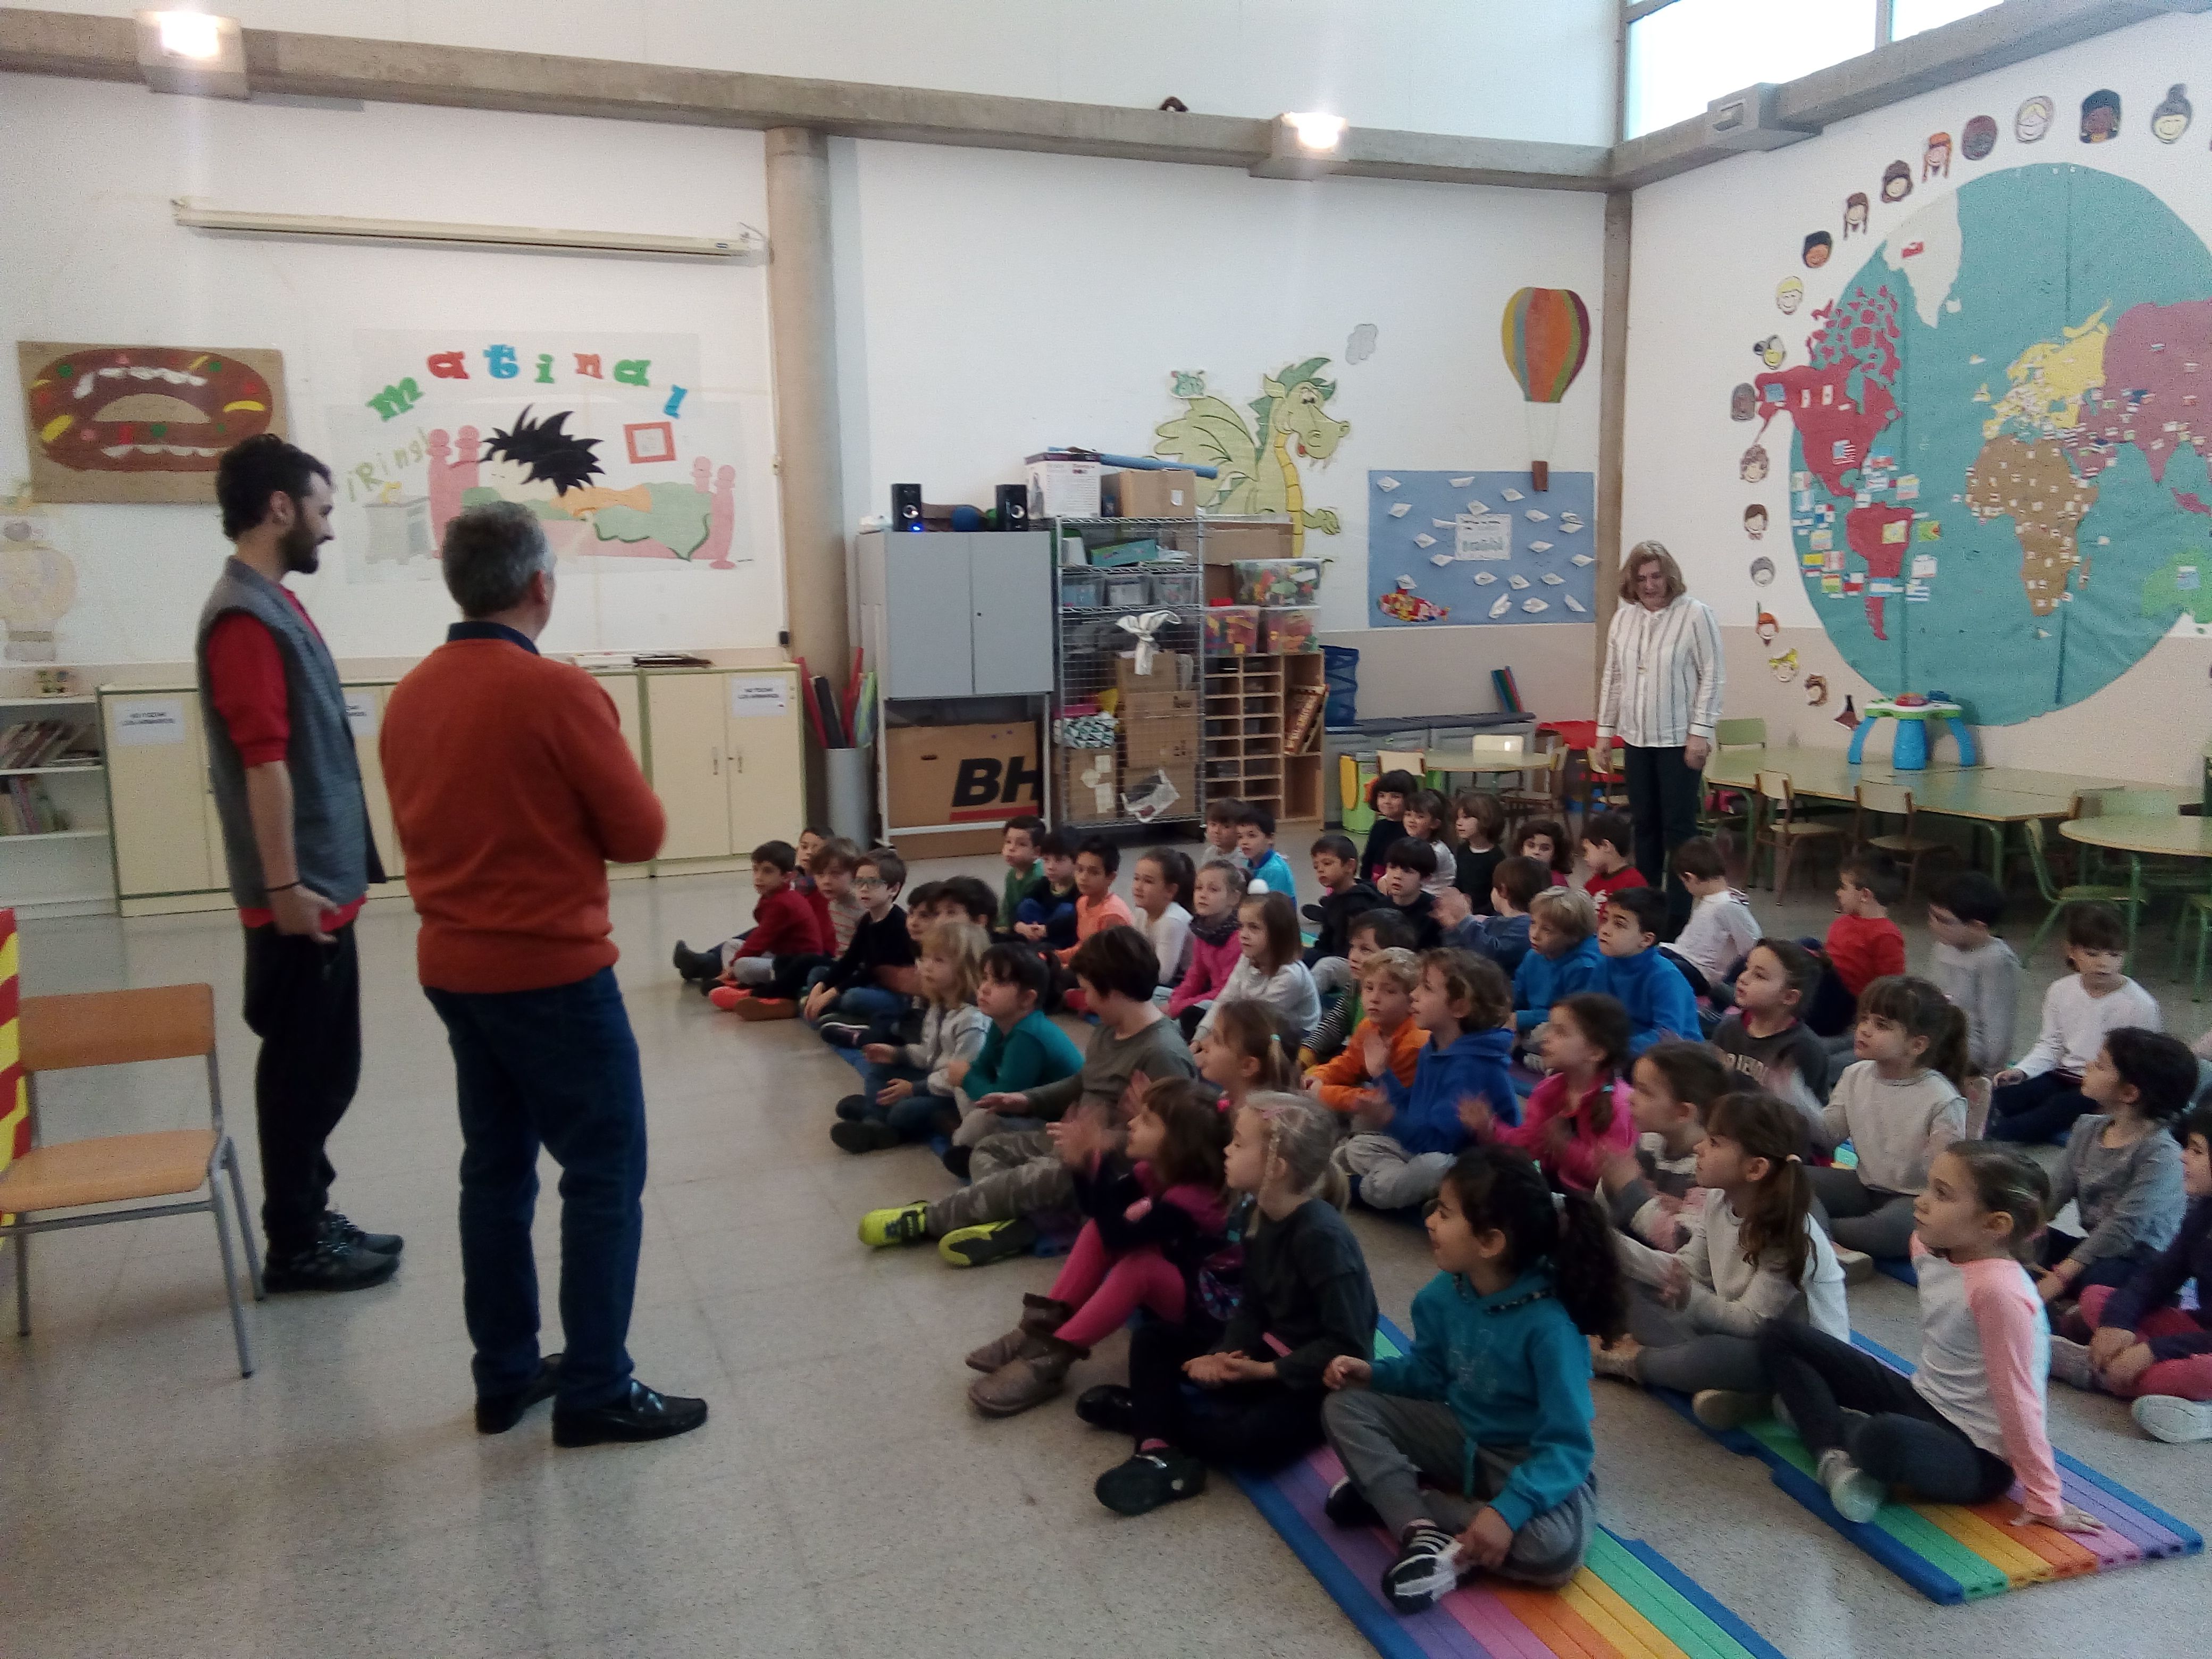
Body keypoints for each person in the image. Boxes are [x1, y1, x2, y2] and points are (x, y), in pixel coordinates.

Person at [382, 499, 703, 1444]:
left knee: (495, 1173)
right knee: (603, 1172)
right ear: (539, 585)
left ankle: (506, 1374)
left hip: (455, 968)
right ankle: (597, 1387)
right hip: (551, 972)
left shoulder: (410, 694)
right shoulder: (556, 692)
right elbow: (638, 833)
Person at [198, 434, 396, 1292]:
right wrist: (283, 887)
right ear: (280, 508)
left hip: (319, 884)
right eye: (322, 509)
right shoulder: (244, 616)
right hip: (297, 895)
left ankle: (312, 1211)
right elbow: (264, 761)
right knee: (302, 1074)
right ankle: (295, 1243)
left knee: (325, 1068)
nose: (329, 526)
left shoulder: (271, 603)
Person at [1322, 1144, 1621, 1611]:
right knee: (1343, 1405)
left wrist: (1508, 1512)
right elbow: (1431, 1375)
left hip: (1528, 1460)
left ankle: (1403, 1501)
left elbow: (1569, 1447)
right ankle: (1419, 1530)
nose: (1430, 1221)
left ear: (1490, 1243)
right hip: (1462, 1436)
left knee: (1555, 1553)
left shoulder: (1550, 1329)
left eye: (1444, 1213)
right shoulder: (1442, 1294)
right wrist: (1374, 1375)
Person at [1758, 1143, 2104, 1534]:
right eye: (1928, 1186)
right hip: (1924, 1399)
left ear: (1995, 1225)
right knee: (1781, 1336)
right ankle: (1833, 1453)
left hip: (1978, 1455)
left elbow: (2019, 1397)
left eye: (1942, 1194)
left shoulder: (2000, 1292)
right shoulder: (1925, 1246)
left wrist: (2045, 1498)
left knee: (1882, 1438)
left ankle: (1818, 1418)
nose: (1921, 1201)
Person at [1088, 1095, 1376, 1516]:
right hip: (1267, 1350)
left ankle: (1148, 1420)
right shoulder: (1256, 1215)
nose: (1226, 1150)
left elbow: (1350, 1346)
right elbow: (1253, 1308)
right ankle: (1156, 1448)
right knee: (1153, 1340)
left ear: (1277, 1167)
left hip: (1317, 1380)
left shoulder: (1322, 1238)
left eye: (1238, 1143)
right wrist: (1224, 1354)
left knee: (1247, 1444)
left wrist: (1263, 1372)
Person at [858, 927, 1197, 1266]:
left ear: (1114, 991)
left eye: (1089, 990)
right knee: (989, 1149)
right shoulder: (1111, 1029)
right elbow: (1083, 1082)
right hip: (1074, 1144)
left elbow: (1175, 1144)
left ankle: (927, 1219)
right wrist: (1027, 1100)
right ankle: (1028, 1224)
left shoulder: (1162, 1053)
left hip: (1111, 1168)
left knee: (1033, 1178)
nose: (1085, 999)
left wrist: (1102, 1141)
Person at [966, 1078, 1236, 1417]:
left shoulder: (1194, 1200)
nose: (1132, 1124)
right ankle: (1040, 1328)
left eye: (1147, 1121)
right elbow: (1098, 1213)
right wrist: (1082, 1165)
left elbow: (1118, 1236)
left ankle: (1052, 1358)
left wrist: (1102, 1158)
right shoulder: (1155, 1171)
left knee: (1139, 1267)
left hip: (1205, 1313)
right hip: (1180, 1276)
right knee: (1097, 1230)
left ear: (1179, 1144)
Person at [1594, 1090, 1848, 1430]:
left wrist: (1690, 1297)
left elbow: (1753, 1323)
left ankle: (1631, 1362)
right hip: (1730, 1328)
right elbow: (1687, 1269)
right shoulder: (1717, 1199)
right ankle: (1732, 1389)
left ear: (1755, 1168)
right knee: (1625, 1287)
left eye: (1714, 1143)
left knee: (1712, 1355)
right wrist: (1610, 1245)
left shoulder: (1788, 1235)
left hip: (1791, 1360)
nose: (1699, 1147)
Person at [2060, 1103, 2212, 1440]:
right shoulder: (2204, 1212)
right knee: (2097, 1298)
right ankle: (2124, 1370)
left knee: (2198, 1373)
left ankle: (2097, 1370)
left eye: (2197, 1151)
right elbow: (2157, 1278)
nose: (2183, 1157)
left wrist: (2152, 1351)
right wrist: (2118, 1324)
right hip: (2203, 1331)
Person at [1595, 541, 1724, 935]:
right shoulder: (1623, 619)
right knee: (1644, 825)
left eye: (1656, 577)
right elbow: (1614, 678)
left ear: (1669, 576)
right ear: (1632, 583)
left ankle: (1678, 917)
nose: (1650, 586)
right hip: (1637, 739)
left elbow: (1712, 675)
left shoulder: (1695, 614)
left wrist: (1700, 733)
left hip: (1679, 740)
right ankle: (1646, 909)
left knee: (1678, 829)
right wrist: (1605, 733)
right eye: (1641, 579)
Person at [1336, 950, 1518, 1213]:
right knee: (1360, 1146)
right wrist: (1381, 1074)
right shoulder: (1434, 1047)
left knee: (1434, 1166)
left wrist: (1388, 1117)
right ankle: (1414, 1193)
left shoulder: (1472, 1068)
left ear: (1460, 1007)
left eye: (1427, 988)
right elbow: (1415, 1113)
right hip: (1425, 1150)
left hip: (1472, 1170)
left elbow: (1436, 1145)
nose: (1414, 994)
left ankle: (1356, 1189)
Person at [2031, 1029, 2192, 1321]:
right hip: (2098, 1249)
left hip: (2141, 1261)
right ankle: (2072, 1306)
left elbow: (2124, 1228)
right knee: (2021, 1241)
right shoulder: (2087, 1127)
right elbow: (2055, 1193)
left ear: (2129, 1093)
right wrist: (2024, 1233)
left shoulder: (2161, 1153)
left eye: (2101, 1065)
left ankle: (2085, 1308)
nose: (2089, 1066)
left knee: (2101, 1277)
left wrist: (2061, 1276)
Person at [1808, 975, 1968, 1268]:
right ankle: (1829, 1244)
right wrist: (1796, 1098)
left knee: (1889, 1232)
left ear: (1917, 1045)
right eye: (1864, 1019)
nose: (1864, 1030)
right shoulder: (1855, 1075)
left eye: (1881, 1025)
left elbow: (1946, 1176)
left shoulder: (1941, 1098)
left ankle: (1813, 1233)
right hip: (1864, 1185)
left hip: (1914, 1198)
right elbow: (1829, 1135)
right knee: (1787, 1180)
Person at [1990, 903, 2161, 1144]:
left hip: (2103, 1086)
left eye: (2114, 955)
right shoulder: (2060, 990)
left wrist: (2115, 1101)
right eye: (2092, 954)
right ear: (2072, 951)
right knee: (2008, 1097)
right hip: (2062, 1075)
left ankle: (1991, 1136)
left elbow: (2144, 1067)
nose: (2104, 964)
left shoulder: (2140, 1005)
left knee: (2052, 1111)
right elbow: (2051, 1044)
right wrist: (2023, 1071)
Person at [831, 920, 990, 1154]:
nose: (926, 967)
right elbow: (930, 1053)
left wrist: (915, 1088)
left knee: (905, 1111)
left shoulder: (972, 1020)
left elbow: (961, 1077)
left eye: (938, 960)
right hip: (933, 1078)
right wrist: (899, 1054)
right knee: (879, 1068)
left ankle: (880, 1119)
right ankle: (875, 1119)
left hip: (955, 1094)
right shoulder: (939, 1005)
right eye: (925, 958)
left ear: (966, 968)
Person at [1463, 993, 1636, 1194]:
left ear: (1596, 1052)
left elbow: (1612, 1175)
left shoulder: (1620, 1104)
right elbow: (1527, 1147)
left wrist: (1565, 1147)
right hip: (1554, 1189)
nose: (1545, 1037)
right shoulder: (1549, 1089)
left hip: (1598, 1203)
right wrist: (1489, 1128)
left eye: (1560, 1032)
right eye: (1550, 1028)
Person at [942, 943, 1083, 1170]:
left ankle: (967, 1147)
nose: (984, 989)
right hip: (1021, 1107)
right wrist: (968, 1077)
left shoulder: (1028, 1035)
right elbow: (981, 1067)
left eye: (998, 982)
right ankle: (967, 1142)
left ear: (1027, 999)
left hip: (1053, 1124)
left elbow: (1005, 1100)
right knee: (961, 1086)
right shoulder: (1000, 1023)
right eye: (985, 978)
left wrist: (967, 1079)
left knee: (980, 1118)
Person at [1601, 1041, 1732, 1252]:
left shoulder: (1708, 1170)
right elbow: (1611, 1215)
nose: (1631, 1098)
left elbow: (1680, 1241)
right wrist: (1610, 1182)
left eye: (1645, 1092)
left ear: (1683, 1112)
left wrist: (1628, 1188)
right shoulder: (1651, 1142)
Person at [675, 839, 824, 1002]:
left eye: (767, 871)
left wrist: (730, 969)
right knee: (731, 945)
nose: (759, 877)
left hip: (794, 964)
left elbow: (759, 941)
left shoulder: (783, 902)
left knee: (742, 965)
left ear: (787, 876)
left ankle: (747, 986)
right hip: (779, 955)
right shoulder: (772, 895)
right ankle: (739, 981)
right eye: (756, 870)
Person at [1710, 939, 1829, 1128]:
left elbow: (1797, 1122)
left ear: (1789, 997)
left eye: (1759, 976)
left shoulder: (1803, 1048)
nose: (1743, 978)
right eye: (1747, 968)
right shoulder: (1729, 1028)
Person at [804, 849, 919, 1038]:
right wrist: (821, 986)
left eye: (873, 883)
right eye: (859, 882)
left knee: (852, 997)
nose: (864, 889)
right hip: (869, 984)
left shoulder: (899, 923)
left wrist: (831, 993)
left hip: (894, 994)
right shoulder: (867, 920)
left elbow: (873, 971)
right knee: (818, 974)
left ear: (893, 889)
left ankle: (847, 1016)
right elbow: (850, 960)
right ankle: (834, 1013)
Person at [1303, 948, 1425, 1116]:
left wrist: (1323, 1093)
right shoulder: (1369, 1025)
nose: (1374, 998)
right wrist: (1319, 1077)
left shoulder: (1415, 1043)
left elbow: (1384, 1101)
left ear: (1413, 1000)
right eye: (1369, 988)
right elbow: (1350, 1063)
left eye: (1389, 991)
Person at [1925, 869, 2020, 1083]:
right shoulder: (1942, 947)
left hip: (1970, 1052)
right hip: (1937, 1036)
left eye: (1943, 920)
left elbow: (1999, 1026)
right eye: (1931, 915)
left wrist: (1989, 1077)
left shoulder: (1996, 960)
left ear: (1978, 926)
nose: (1933, 924)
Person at [1196, 891, 1320, 1042]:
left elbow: (1256, 1024)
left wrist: (1211, 1043)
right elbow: (1226, 998)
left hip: (1291, 1038)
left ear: (1278, 933)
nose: (1243, 935)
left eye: (1253, 927)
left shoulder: (1290, 976)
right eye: (1241, 926)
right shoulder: (1248, 958)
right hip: (1252, 1021)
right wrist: (1199, 1039)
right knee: (1201, 1010)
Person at [1806, 853, 1906, 1037]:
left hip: (1843, 1003)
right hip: (1826, 986)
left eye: (1843, 887)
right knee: (1807, 945)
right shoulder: (1844, 922)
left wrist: (1869, 1018)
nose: (1838, 892)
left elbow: (1891, 985)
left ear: (1865, 895)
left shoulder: (1887, 935)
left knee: (1807, 957)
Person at [1302, 909, 1415, 1067]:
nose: (1353, 957)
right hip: (1357, 1058)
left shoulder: (1405, 1001)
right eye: (1353, 947)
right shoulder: (1357, 984)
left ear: (1393, 957)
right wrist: (1306, 1054)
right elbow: (1336, 1024)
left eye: (1365, 950)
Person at [1596, 889, 1700, 1055]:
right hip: (1619, 1051)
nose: (1605, 930)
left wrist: (1610, 1051)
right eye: (1605, 919)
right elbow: (1589, 1015)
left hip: (1675, 1060)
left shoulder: (1665, 977)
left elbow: (1667, 1037)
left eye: (1619, 925)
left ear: (1646, 940)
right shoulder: (1604, 965)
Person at [1168, 860, 1248, 1040]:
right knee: (1155, 994)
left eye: (1213, 890)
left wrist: (1179, 1007)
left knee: (1191, 1013)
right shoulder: (1202, 929)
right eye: (1199, 888)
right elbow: (1195, 975)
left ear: (1234, 898)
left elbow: (1225, 991)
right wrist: (1176, 1001)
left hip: (1229, 1002)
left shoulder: (1237, 938)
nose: (1203, 895)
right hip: (1208, 994)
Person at [1511, 886, 1603, 1039]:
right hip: (1530, 1022)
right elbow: (1518, 991)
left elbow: (1572, 1015)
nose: (1535, 934)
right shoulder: (1533, 955)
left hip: (1564, 1028)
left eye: (1547, 930)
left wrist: (1519, 1019)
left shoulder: (1584, 967)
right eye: (1533, 923)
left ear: (1574, 935)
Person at [1671, 835, 1759, 990]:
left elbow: (1755, 944)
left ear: (1691, 878)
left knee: (1651, 964)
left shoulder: (1727, 905)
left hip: (1699, 972)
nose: (1686, 888)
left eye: (1684, 882)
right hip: (1686, 960)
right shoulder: (1713, 900)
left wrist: (1732, 977)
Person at [1195, 999, 1303, 1115]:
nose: (1203, 1043)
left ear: (1247, 1066)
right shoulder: (1228, 1101)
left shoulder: (1254, 1123)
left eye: (1217, 1040)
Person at [1304, 832, 1380, 969]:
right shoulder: (1333, 900)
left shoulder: (1359, 903)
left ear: (1350, 866)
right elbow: (1325, 941)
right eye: (1316, 866)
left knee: (1324, 967)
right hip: (1333, 955)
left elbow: (1357, 946)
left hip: (1354, 962)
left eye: (1327, 864)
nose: (1320, 870)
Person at [1060, 837, 1137, 965]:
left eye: (1094, 873)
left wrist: (1065, 967)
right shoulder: (1082, 902)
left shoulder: (1112, 915)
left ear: (1111, 877)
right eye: (1080, 870)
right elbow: (1083, 947)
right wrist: (1056, 956)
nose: (1083, 877)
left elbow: (1108, 963)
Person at [1131, 846, 1195, 993]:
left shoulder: (1172, 921)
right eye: (1136, 878)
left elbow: (1163, 976)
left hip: (1182, 983)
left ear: (1170, 890)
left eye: (1148, 881)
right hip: (1154, 976)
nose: (1138, 887)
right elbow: (1132, 953)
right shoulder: (1141, 911)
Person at [1012, 830, 1079, 949]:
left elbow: (1074, 921)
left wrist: (1047, 930)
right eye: (1046, 860)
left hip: (1062, 939)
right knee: (1027, 905)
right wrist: (1019, 925)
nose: (1051, 867)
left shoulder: (1079, 888)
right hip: (1040, 931)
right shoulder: (1044, 883)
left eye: (1059, 860)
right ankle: (1037, 948)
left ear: (1076, 862)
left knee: (1067, 910)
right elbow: (1021, 905)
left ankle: (1046, 949)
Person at [1377, 841, 1447, 952]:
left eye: (1408, 871)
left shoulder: (1435, 914)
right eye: (1392, 867)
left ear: (1426, 878)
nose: (1397, 876)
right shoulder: (1378, 906)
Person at [996, 814, 1051, 936]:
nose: (1011, 848)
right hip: (1017, 925)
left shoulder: (1040, 875)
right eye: (1008, 842)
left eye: (1021, 844)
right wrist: (1002, 926)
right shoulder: (1011, 875)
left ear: (1037, 852)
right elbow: (1007, 907)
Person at [1452, 792, 1506, 915]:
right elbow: (1458, 882)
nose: (1459, 823)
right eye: (1458, 818)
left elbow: (1498, 898)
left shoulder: (1496, 858)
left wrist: (1475, 914)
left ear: (1486, 819)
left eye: (1466, 818)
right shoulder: (1462, 849)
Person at [1362, 769, 1419, 884]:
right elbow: (1368, 859)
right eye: (1382, 796)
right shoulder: (1378, 827)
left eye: (1395, 797)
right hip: (1375, 883)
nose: (1387, 801)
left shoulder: (1412, 829)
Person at [1400, 789, 1458, 898]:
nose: (1412, 820)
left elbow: (1412, 879)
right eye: (1408, 815)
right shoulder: (1410, 844)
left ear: (1435, 824)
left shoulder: (1437, 851)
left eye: (1420, 817)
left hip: (1434, 898)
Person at [1578, 812, 1646, 904]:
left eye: (1587, 851)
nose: (1585, 858)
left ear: (1606, 846)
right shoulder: (1595, 881)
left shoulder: (1634, 883)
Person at [1233, 802, 1297, 899]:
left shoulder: (1275, 870)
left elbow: (1273, 905)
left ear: (1270, 838)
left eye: (1252, 836)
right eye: (1240, 837)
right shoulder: (1248, 863)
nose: (1244, 842)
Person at [1510, 818, 1573, 885]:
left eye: (1545, 848)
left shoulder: (1556, 883)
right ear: (1521, 849)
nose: (1537, 852)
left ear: (1555, 854)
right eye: (1531, 846)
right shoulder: (1514, 875)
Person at [1201, 795, 1248, 871]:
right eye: (1213, 825)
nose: (1217, 831)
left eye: (1226, 827)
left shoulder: (1243, 857)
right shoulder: (1210, 852)